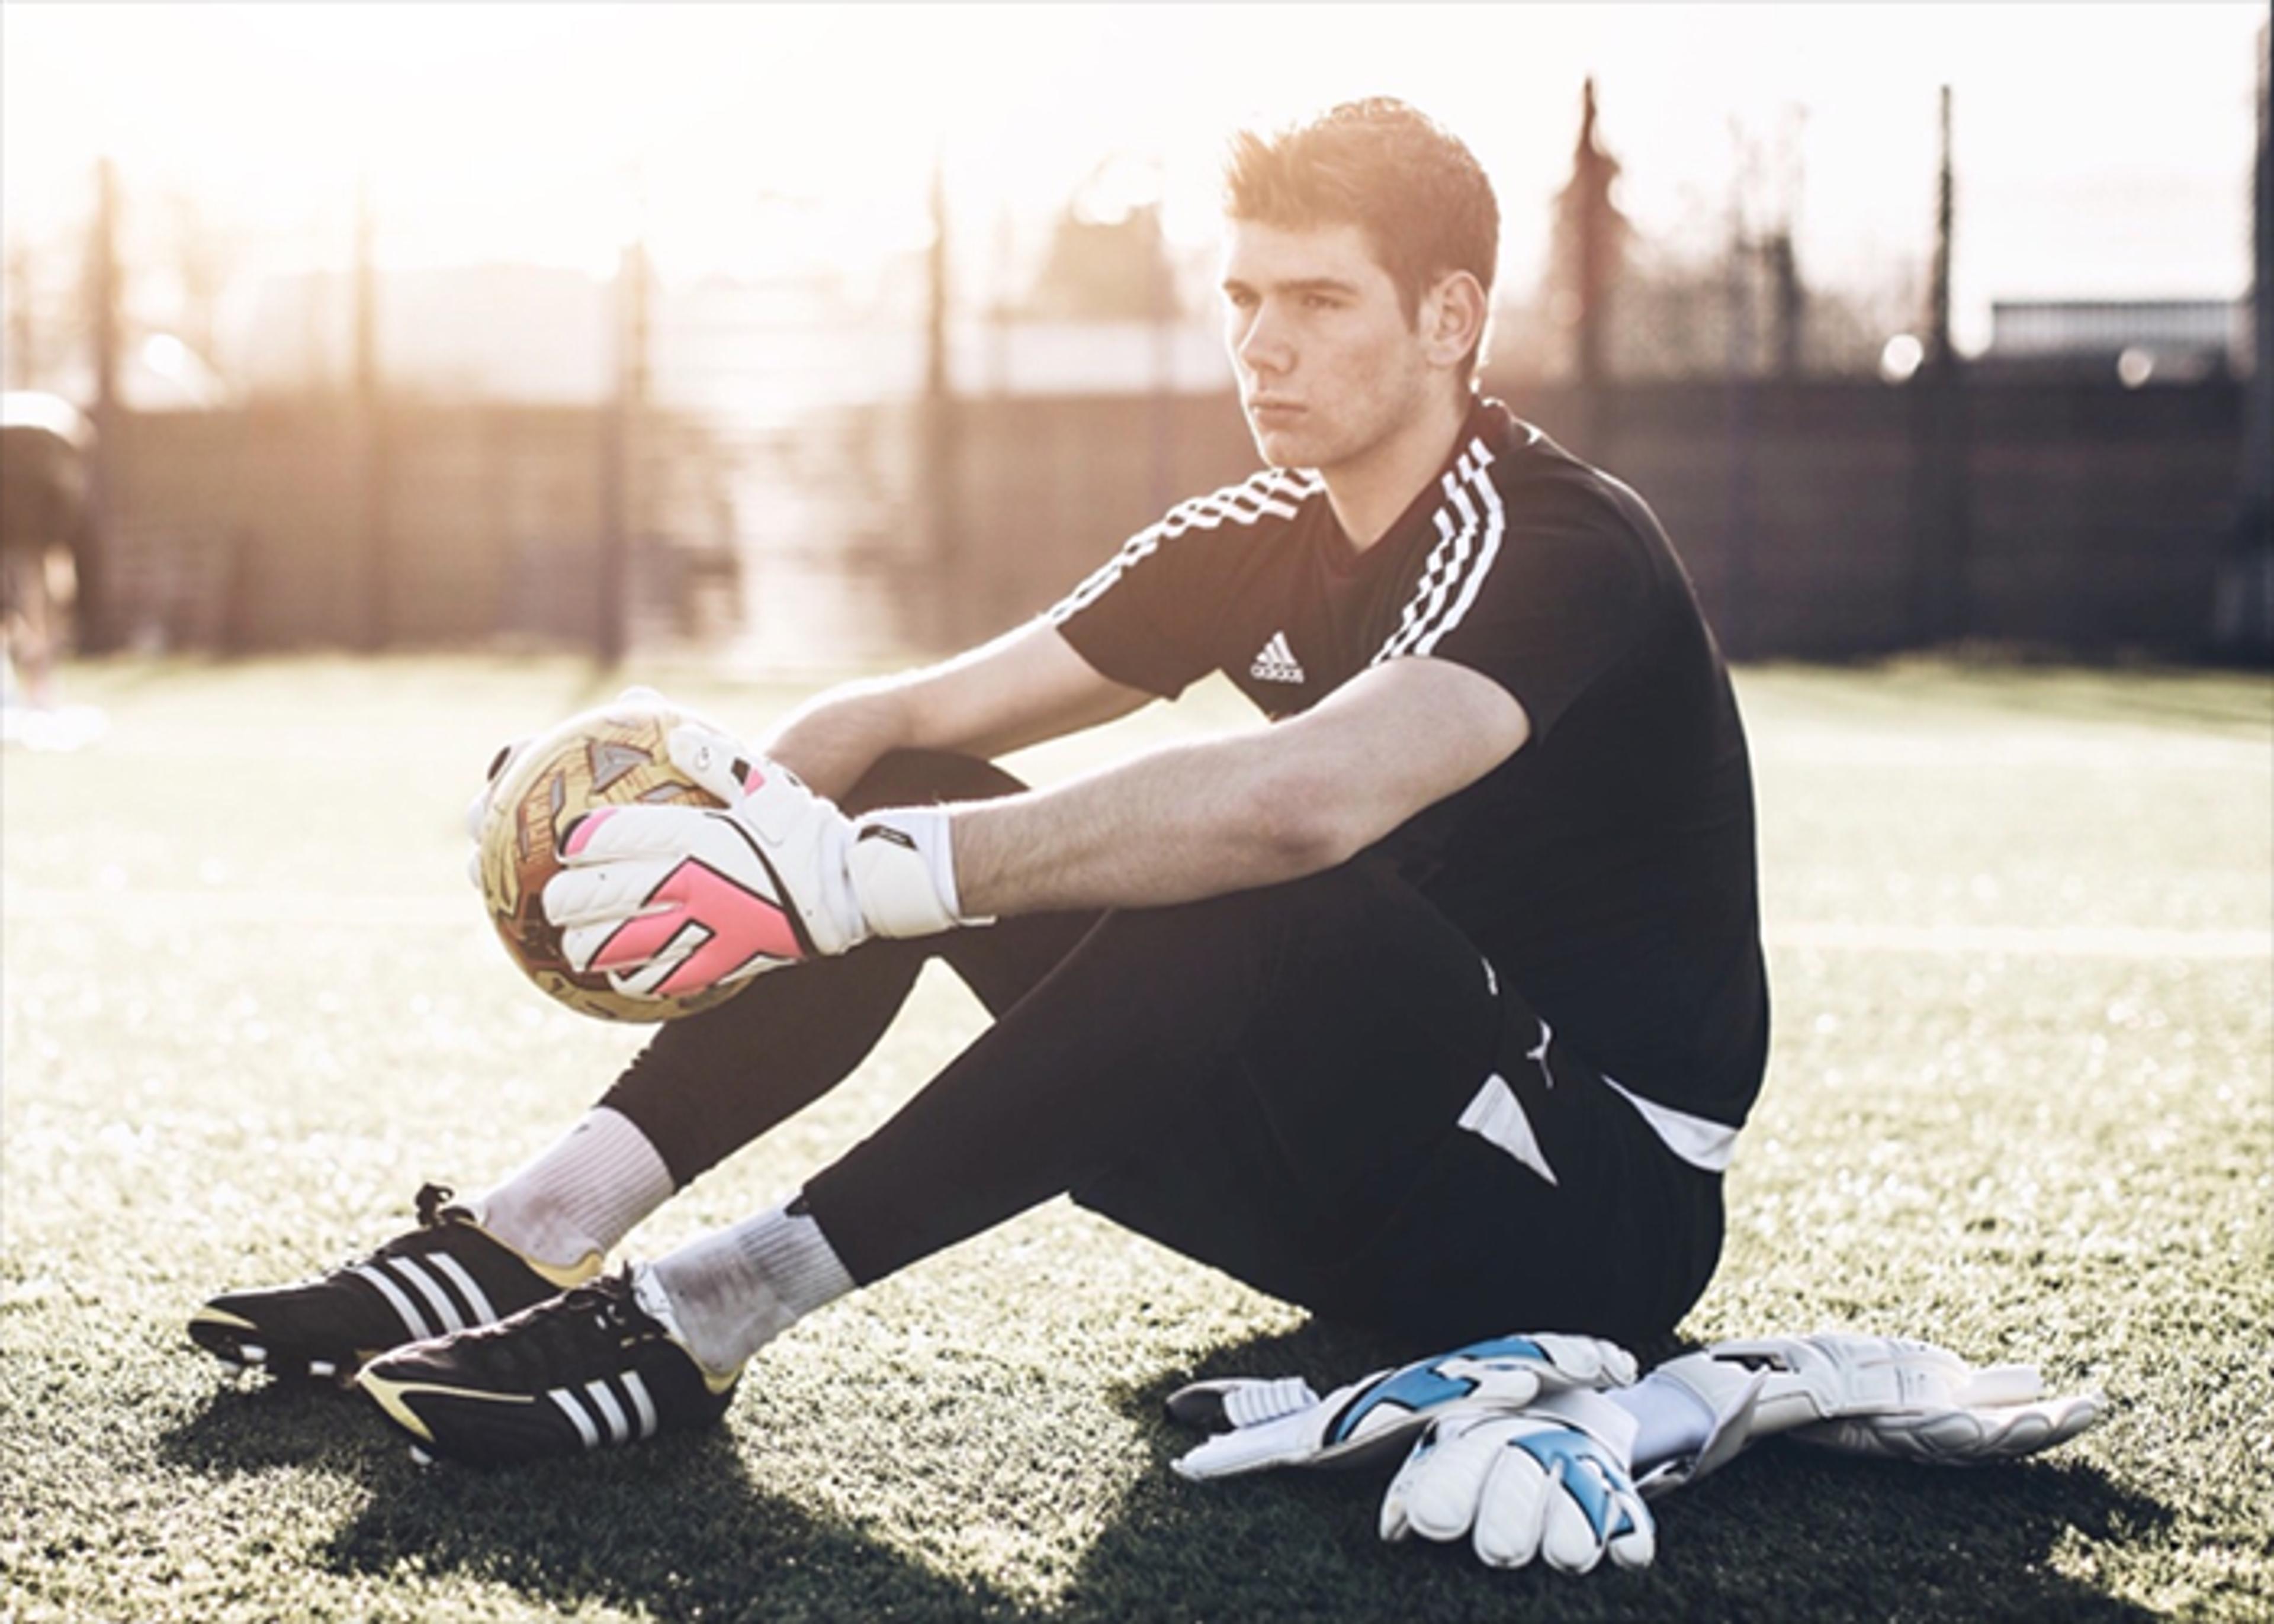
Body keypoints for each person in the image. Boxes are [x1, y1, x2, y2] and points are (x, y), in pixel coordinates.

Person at [194, 98, 1793, 1565]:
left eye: (1317, 302)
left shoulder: (1559, 538)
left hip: (1593, 1209)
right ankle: (530, 1234)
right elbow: (894, 729)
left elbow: (1306, 803)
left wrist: (872, 889)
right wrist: (747, 827)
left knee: (1237, 877)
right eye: (1242, 298)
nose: (1262, 345)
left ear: (1451, 319)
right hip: (1348, 1210)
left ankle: (705, 1312)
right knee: (902, 800)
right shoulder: (1251, 539)